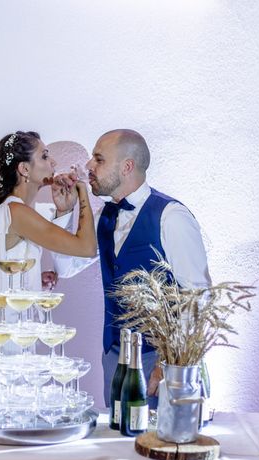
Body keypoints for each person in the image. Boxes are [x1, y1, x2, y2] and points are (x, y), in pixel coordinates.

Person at [52, 129, 211, 409]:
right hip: (114, 356)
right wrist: (64, 213)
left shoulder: (171, 217)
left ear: (127, 167)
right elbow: (66, 268)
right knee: (117, 445)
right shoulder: (104, 216)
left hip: (161, 362)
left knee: (163, 446)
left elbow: (197, 296)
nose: (89, 166)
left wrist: (171, 362)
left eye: (98, 160)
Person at [0, 131, 96, 368]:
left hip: (11, 331)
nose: (53, 163)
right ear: (24, 170)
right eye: (44, 156)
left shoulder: (12, 209)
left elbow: (3, 272)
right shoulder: (17, 212)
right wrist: (83, 192)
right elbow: (86, 247)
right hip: (4, 340)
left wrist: (62, 211)